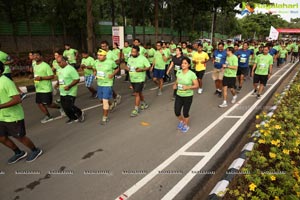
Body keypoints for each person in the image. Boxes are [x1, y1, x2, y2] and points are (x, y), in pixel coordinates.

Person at [0, 62, 43, 164]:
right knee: (1, 137)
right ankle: (18, 152)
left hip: (13, 116)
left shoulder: (6, 82)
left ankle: (35, 150)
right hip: (1, 117)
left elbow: (17, 99)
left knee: (19, 137)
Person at [33, 50, 63, 123]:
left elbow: (52, 76)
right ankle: (48, 116)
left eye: (37, 55)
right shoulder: (34, 65)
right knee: (39, 103)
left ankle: (60, 107)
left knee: (48, 104)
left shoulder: (45, 65)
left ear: (41, 56)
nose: (35, 57)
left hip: (46, 88)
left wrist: (41, 78)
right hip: (38, 88)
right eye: (34, 55)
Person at [93, 49, 120, 125]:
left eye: (101, 55)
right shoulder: (96, 62)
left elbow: (117, 68)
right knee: (101, 100)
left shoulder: (110, 62)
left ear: (105, 56)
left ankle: (105, 117)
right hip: (100, 84)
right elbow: (94, 68)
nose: (99, 56)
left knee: (104, 101)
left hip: (108, 83)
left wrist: (112, 74)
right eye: (98, 55)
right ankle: (111, 104)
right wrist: (95, 73)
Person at [55, 56, 85, 124]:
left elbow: (77, 79)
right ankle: (73, 118)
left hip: (71, 91)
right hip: (62, 91)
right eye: (57, 63)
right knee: (64, 106)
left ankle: (80, 113)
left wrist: (69, 86)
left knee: (69, 106)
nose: (59, 64)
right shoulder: (59, 69)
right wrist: (57, 84)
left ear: (64, 61)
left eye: (59, 62)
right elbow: (60, 78)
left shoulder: (70, 69)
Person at [173, 57, 199, 133]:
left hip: (188, 96)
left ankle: (186, 125)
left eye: (185, 63)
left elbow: (196, 85)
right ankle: (182, 121)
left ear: (188, 65)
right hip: (179, 95)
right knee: (177, 112)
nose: (183, 65)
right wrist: (175, 85)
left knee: (185, 112)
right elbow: (177, 81)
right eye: (182, 63)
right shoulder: (179, 72)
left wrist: (188, 87)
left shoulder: (192, 74)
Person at [125, 46, 151, 117]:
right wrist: (126, 68)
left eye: (134, 52)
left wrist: (141, 69)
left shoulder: (143, 58)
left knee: (136, 93)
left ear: (138, 52)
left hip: (140, 79)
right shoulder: (130, 58)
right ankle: (144, 103)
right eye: (132, 52)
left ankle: (136, 109)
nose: (132, 53)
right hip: (132, 79)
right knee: (139, 92)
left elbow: (148, 66)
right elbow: (128, 66)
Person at [100, 41, 122, 105]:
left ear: (107, 46)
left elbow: (117, 61)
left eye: (104, 46)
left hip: (110, 73)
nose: (103, 47)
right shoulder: (101, 53)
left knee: (108, 87)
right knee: (107, 87)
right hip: (102, 73)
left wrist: (112, 64)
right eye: (102, 46)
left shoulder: (111, 53)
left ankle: (108, 102)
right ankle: (116, 96)